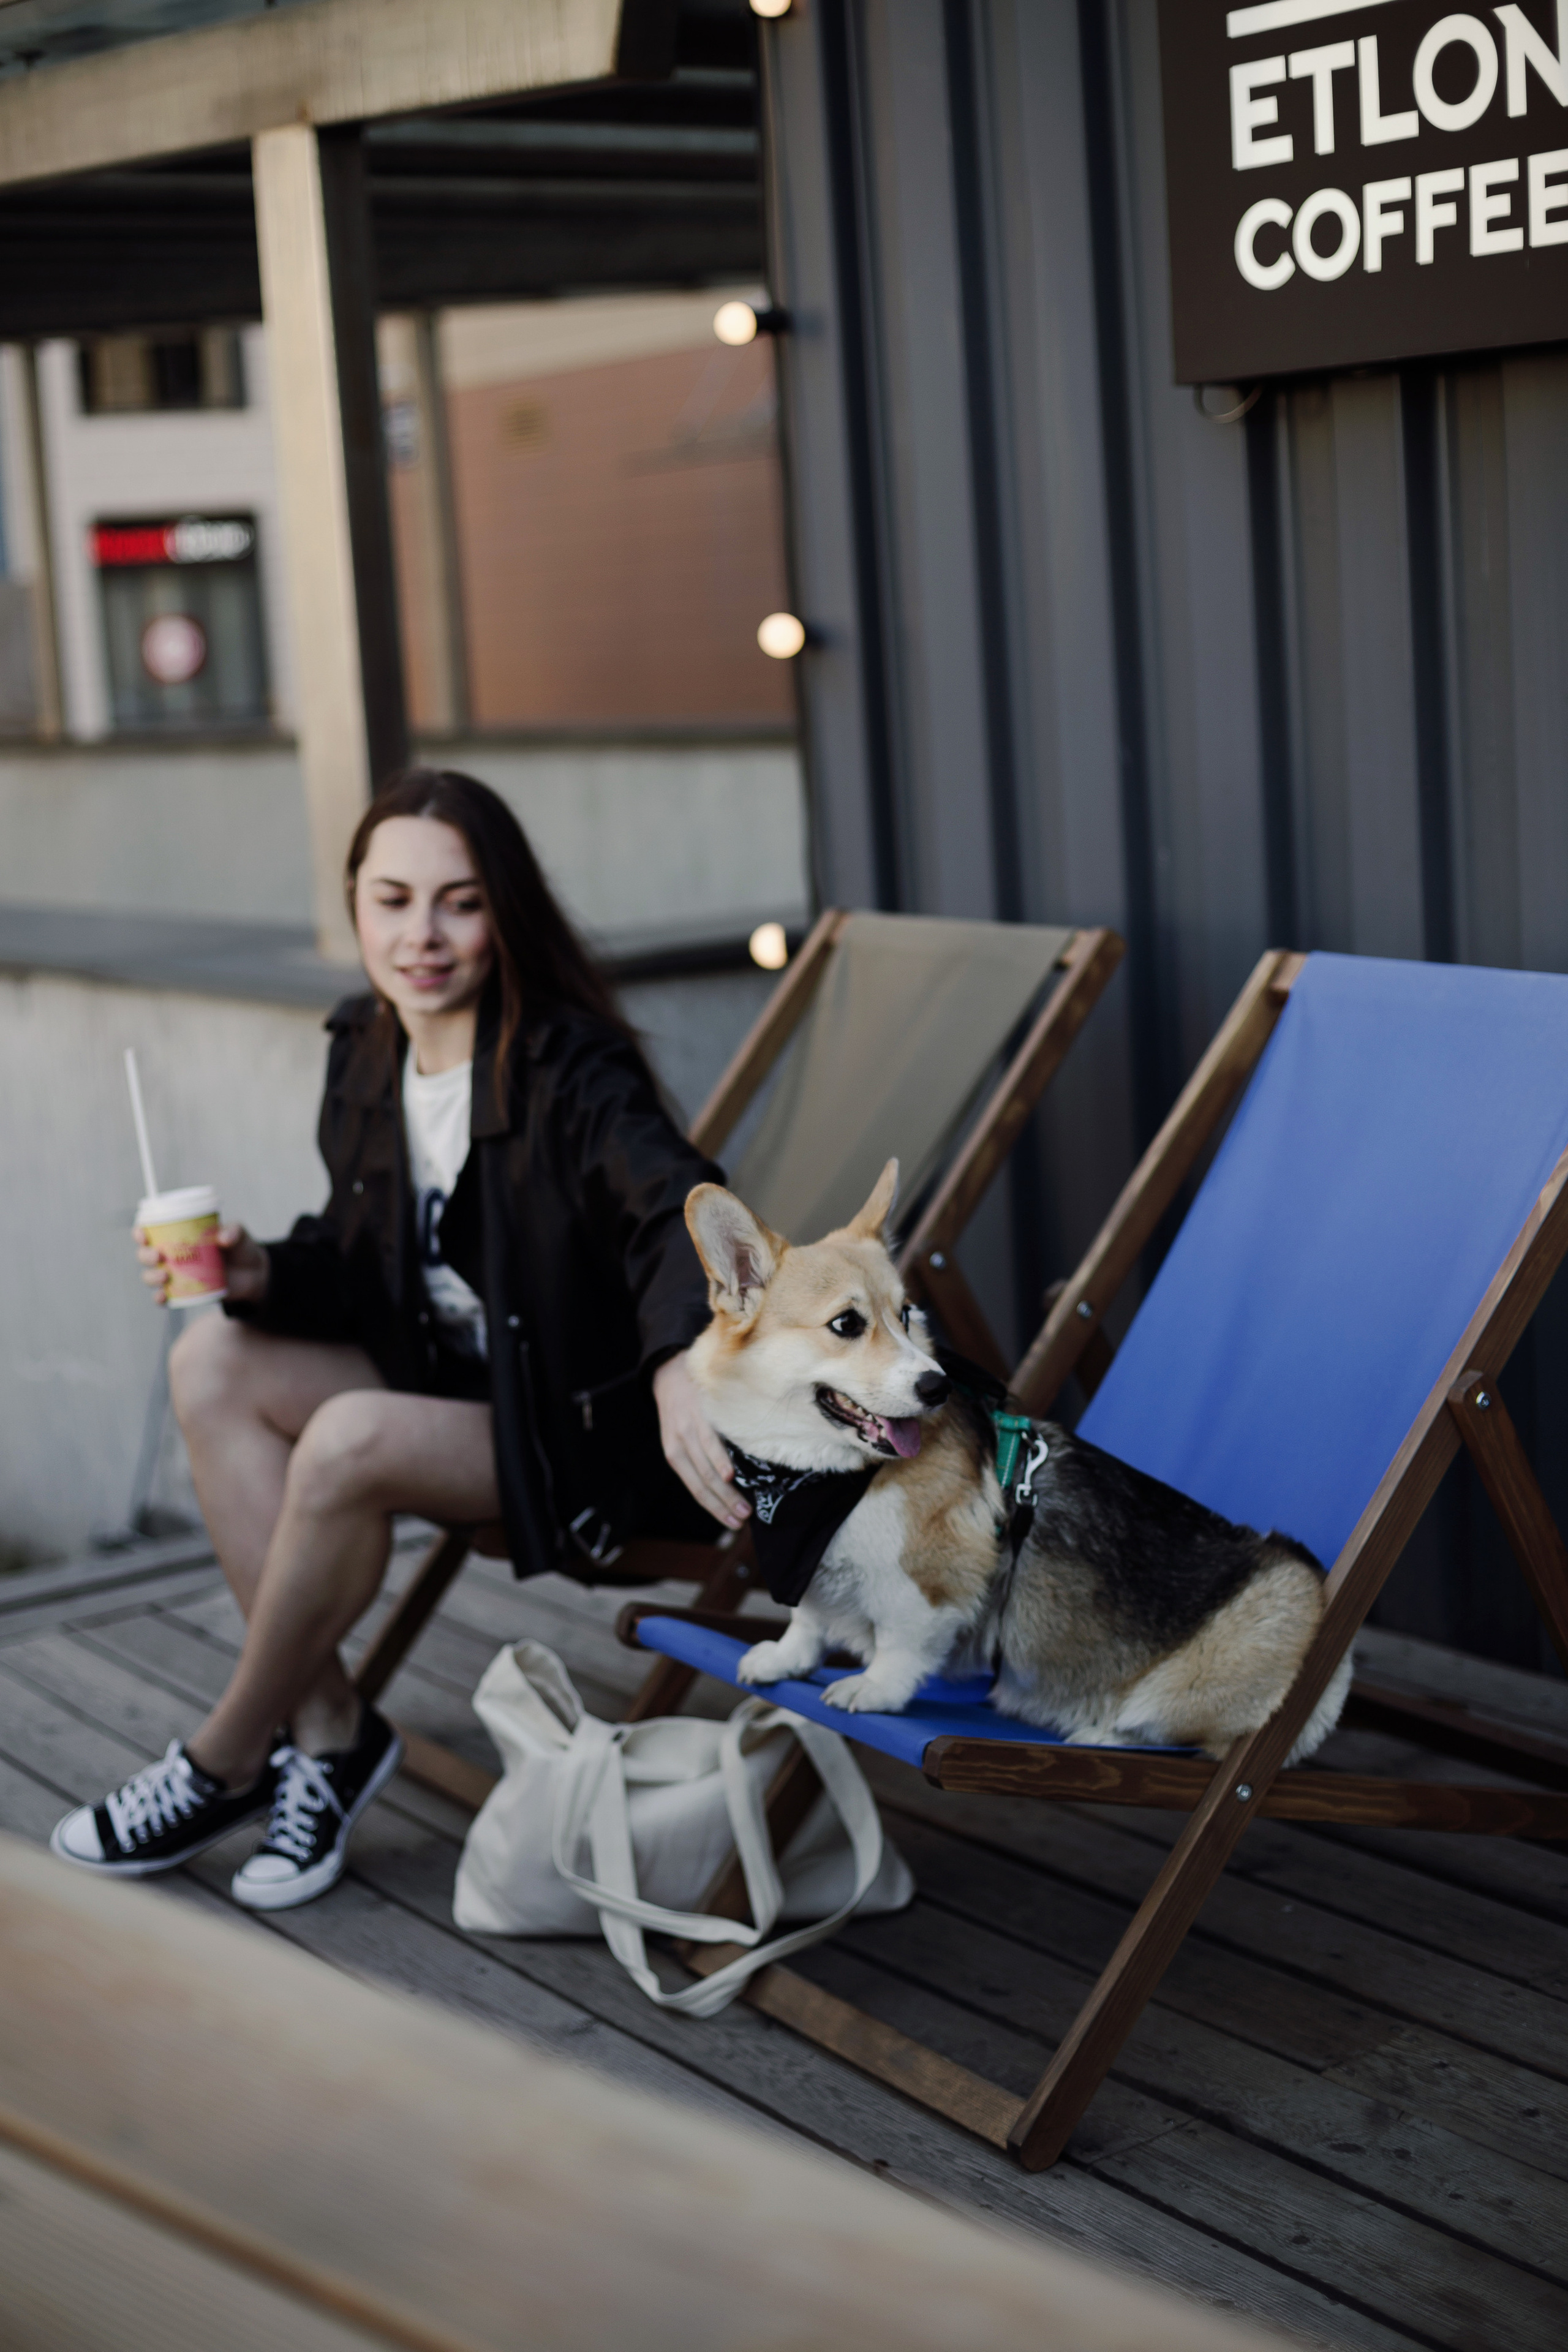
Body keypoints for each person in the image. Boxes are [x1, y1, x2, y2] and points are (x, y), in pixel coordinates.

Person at [51, 769, 748, 1909]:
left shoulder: (570, 1067)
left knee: (347, 1436)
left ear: (503, 914)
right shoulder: (366, 1050)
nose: (422, 935)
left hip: (575, 1430)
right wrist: (262, 1271)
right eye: (393, 901)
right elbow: (367, 1259)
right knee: (209, 1360)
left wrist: (679, 1359)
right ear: (356, 908)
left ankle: (227, 1757)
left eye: (459, 903)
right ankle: (329, 1728)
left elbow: (676, 1207)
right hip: (444, 1385)